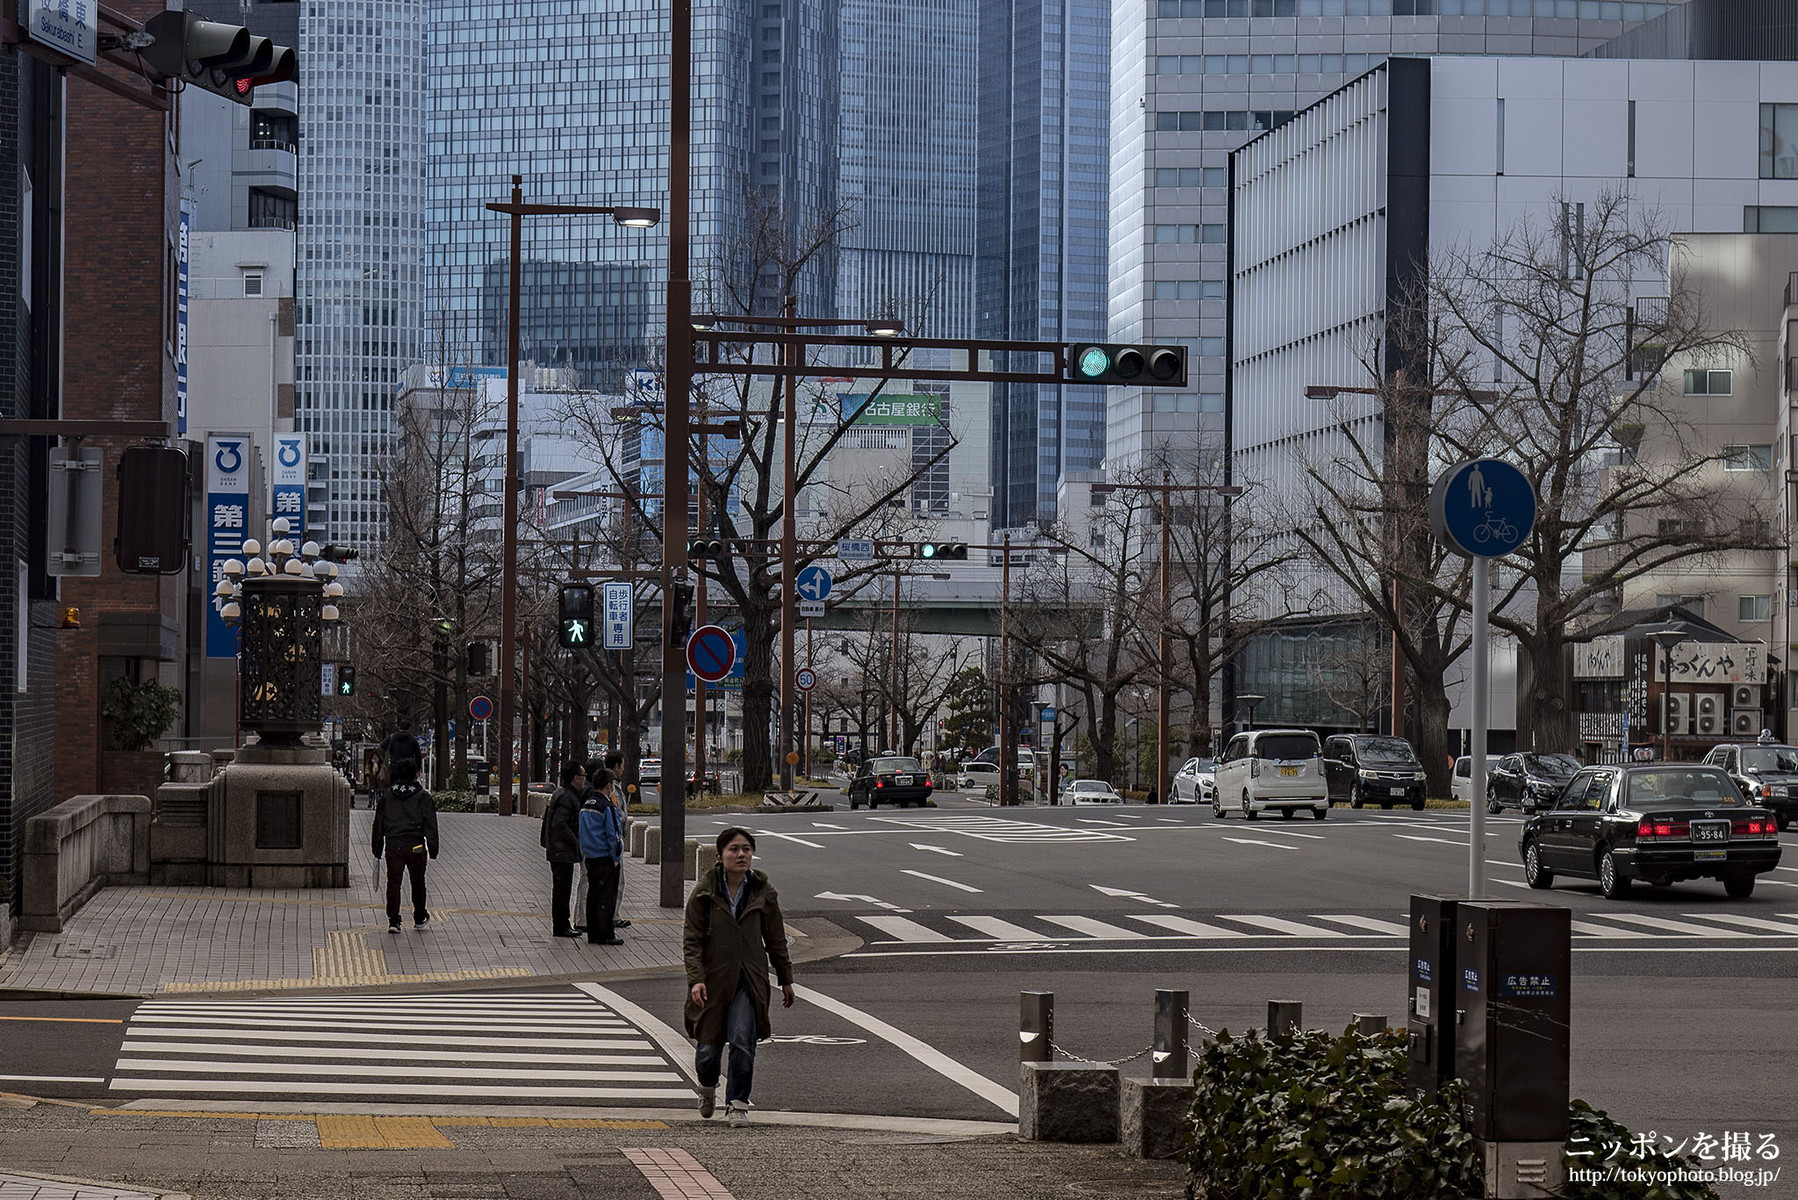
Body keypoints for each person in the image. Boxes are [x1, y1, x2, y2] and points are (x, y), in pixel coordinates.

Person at [683, 827, 794, 1128]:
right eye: (734, 849)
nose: (741, 854)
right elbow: (691, 940)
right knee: (709, 1049)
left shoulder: (763, 892)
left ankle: (737, 1103)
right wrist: (696, 979)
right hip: (713, 980)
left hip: (749, 978)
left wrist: (785, 978)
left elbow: (775, 938)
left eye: (746, 849)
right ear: (720, 856)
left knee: (743, 1040)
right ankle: (707, 1088)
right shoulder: (704, 893)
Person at [371, 749, 438, 934]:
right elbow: (430, 823)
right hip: (416, 845)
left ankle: (394, 920)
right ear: (416, 774)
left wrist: (377, 848)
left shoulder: (388, 796)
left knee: (393, 882)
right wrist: (433, 848)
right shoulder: (423, 796)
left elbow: (379, 823)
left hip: (393, 845)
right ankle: (419, 916)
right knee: (418, 881)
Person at [578, 767, 625, 946]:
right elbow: (613, 833)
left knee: (593, 895)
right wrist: (616, 856)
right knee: (607, 897)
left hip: (590, 857)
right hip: (605, 857)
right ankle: (606, 933)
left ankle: (593, 933)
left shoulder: (586, 804)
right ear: (608, 785)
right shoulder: (607, 806)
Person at [543, 761, 586, 939]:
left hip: (558, 849)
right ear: (576, 778)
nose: (585, 780)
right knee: (562, 889)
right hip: (562, 850)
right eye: (583, 776)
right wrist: (576, 842)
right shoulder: (567, 797)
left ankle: (562, 924)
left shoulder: (561, 793)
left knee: (561, 889)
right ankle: (561, 926)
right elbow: (559, 823)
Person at [603, 750, 632, 929]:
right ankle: (611, 916)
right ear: (616, 767)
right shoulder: (610, 787)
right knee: (616, 880)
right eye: (622, 766)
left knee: (616, 881)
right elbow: (615, 812)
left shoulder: (613, 785)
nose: (623, 770)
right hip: (612, 841)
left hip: (614, 839)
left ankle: (612, 914)